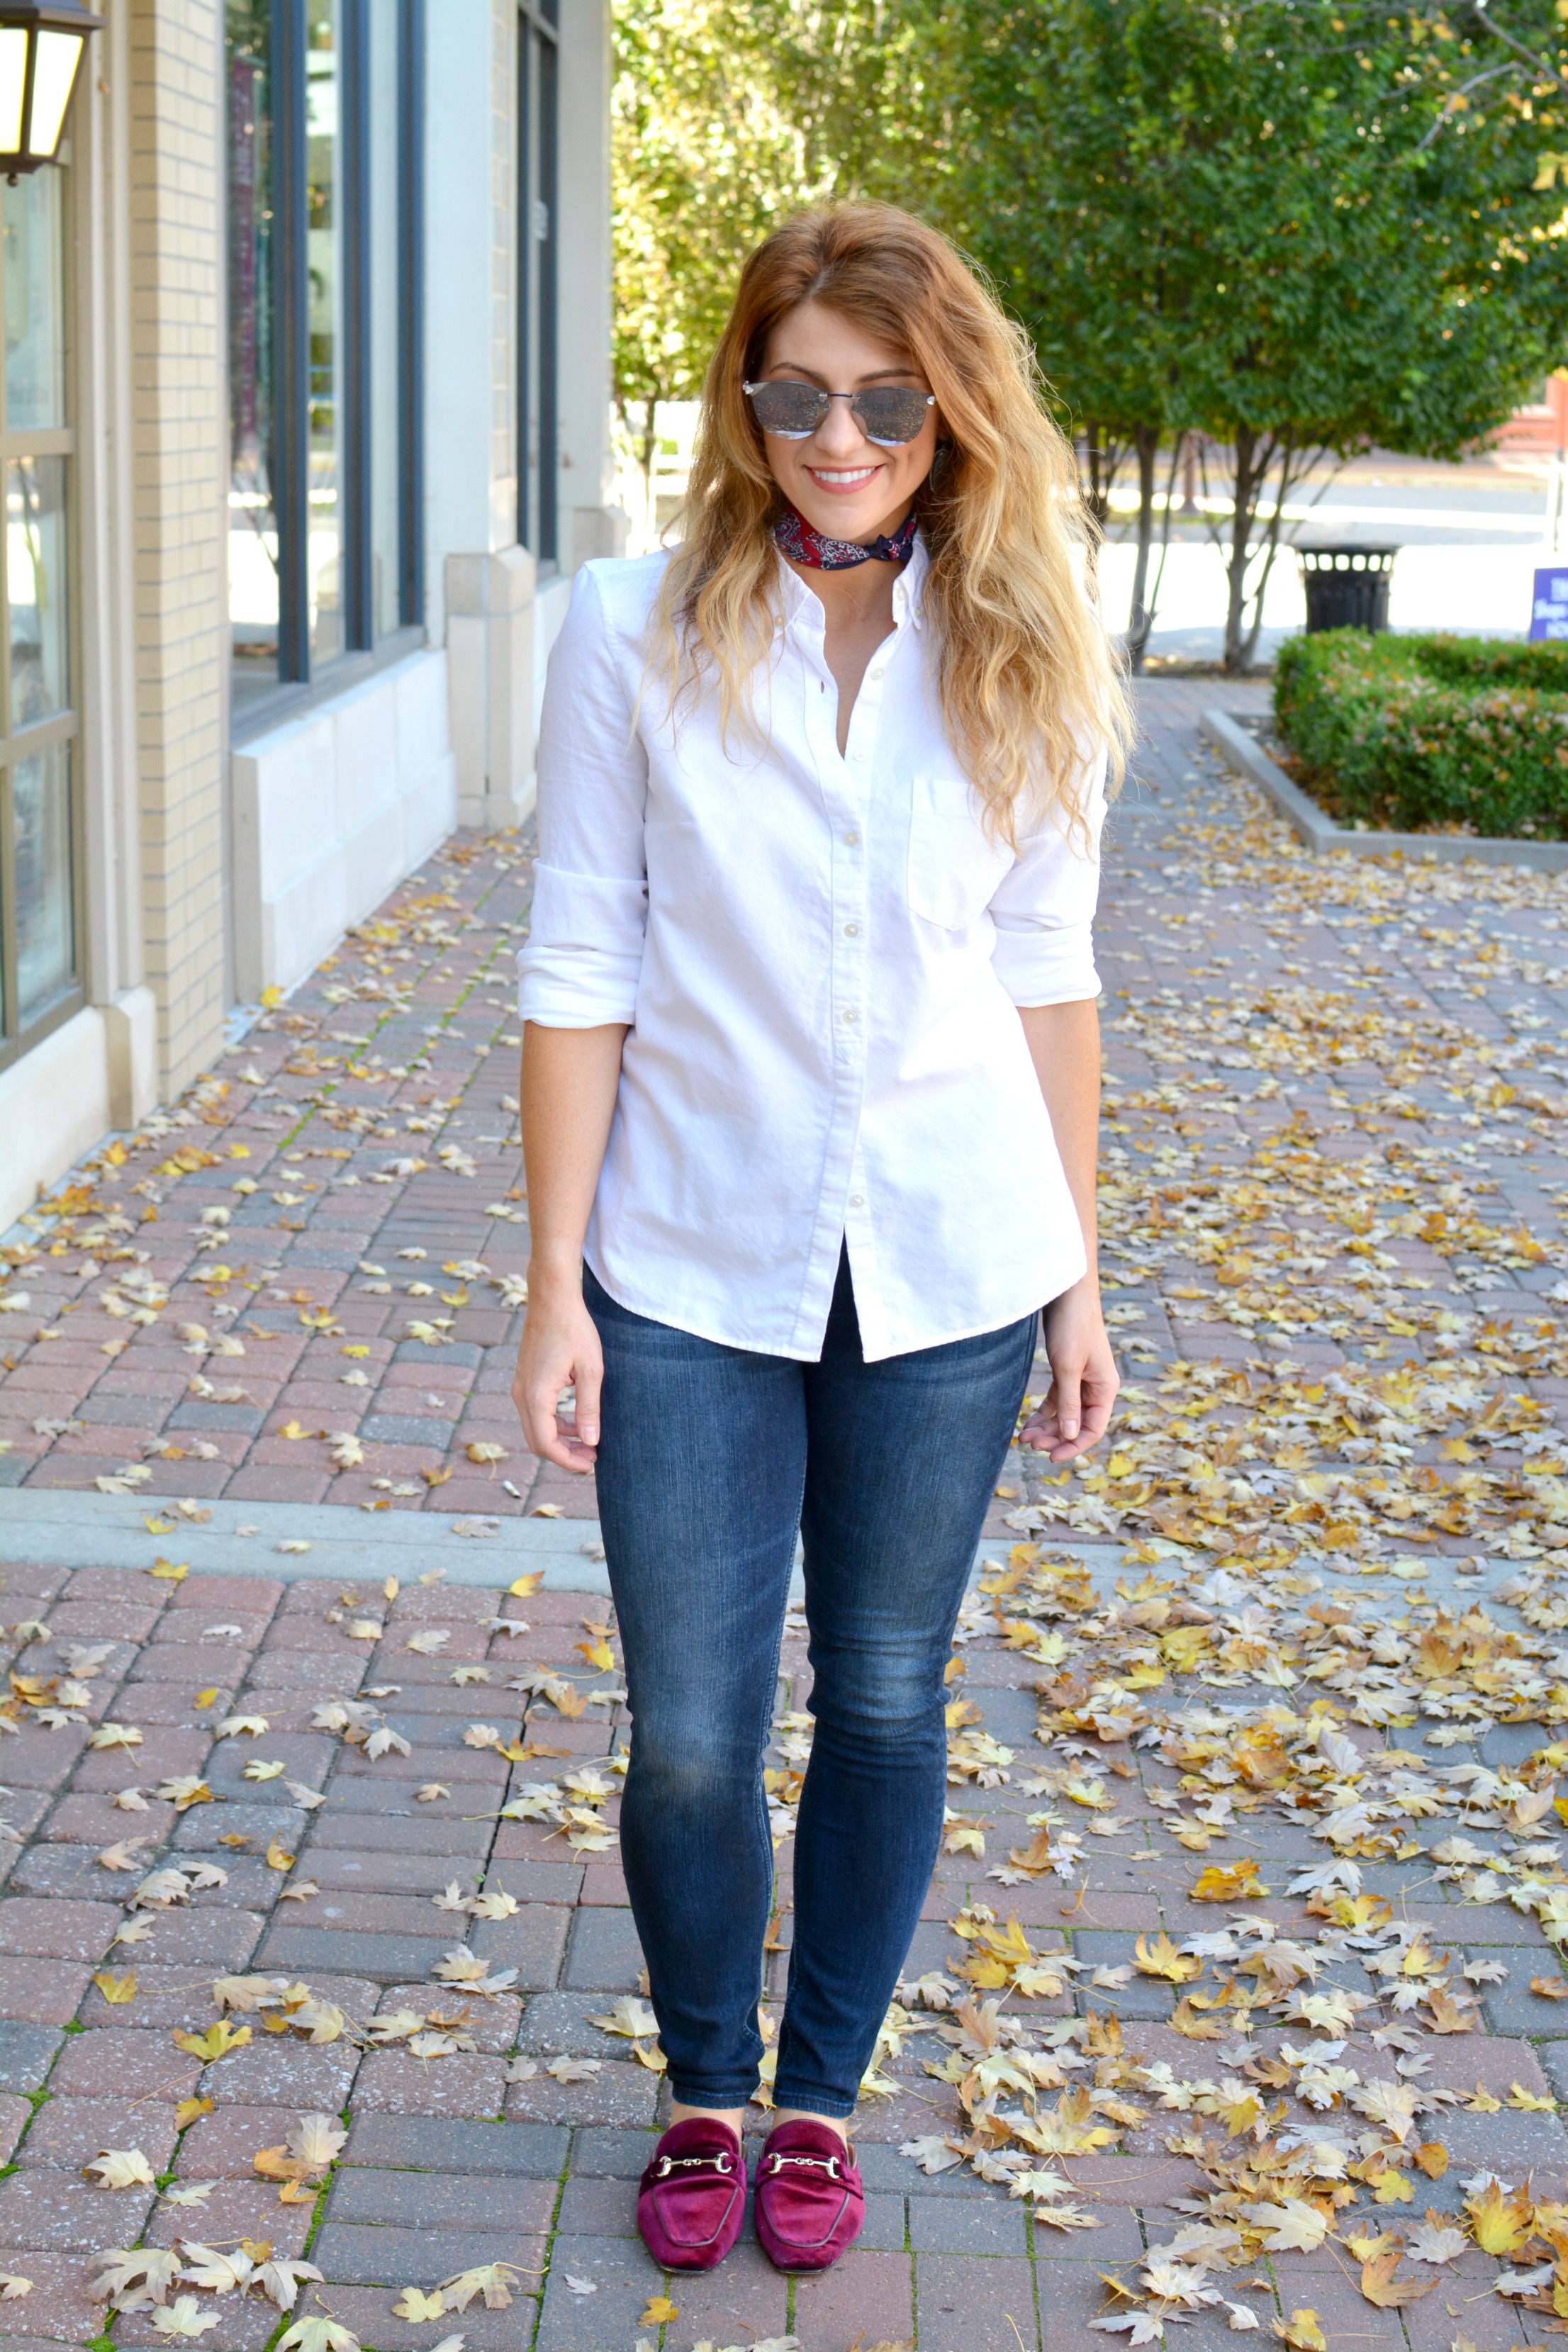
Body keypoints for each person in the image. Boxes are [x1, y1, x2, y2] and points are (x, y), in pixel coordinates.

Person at [511, 201, 1128, 2277]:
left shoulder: (1021, 628)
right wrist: (549, 1292)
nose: (838, 435)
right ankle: (703, 2089)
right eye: (796, 393)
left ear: (944, 407)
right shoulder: (627, 626)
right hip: (686, 1254)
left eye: (880, 397)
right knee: (691, 1720)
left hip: (951, 1258)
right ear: (744, 398)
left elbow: (1050, 965)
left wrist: (1077, 1275)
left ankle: (818, 2100)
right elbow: (580, 957)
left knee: (879, 1695)